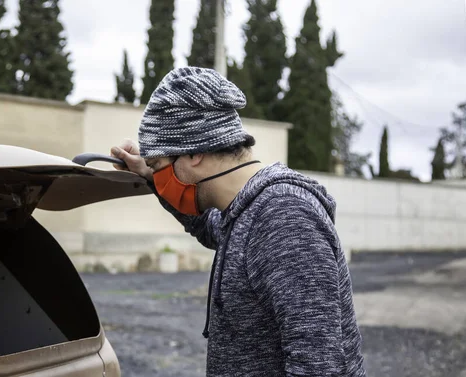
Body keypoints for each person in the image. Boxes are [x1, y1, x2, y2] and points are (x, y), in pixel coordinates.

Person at [110, 67, 366, 377]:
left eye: (159, 166)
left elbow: (319, 365)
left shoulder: (283, 215)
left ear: (194, 154)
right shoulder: (244, 213)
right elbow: (208, 225)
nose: (161, 179)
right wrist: (151, 175)